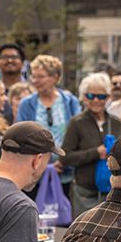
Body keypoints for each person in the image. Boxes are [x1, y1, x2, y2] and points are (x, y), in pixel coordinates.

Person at [16, 54, 82, 195]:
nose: (35, 81)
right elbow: (20, 137)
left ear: (55, 77)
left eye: (41, 76)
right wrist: (44, 167)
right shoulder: (26, 104)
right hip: (33, 173)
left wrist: (63, 162)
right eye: (33, 76)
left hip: (66, 172)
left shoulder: (70, 102)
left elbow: (78, 134)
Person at [61, 72, 121, 214]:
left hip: (112, 193)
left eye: (101, 96)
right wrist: (95, 153)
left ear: (108, 97)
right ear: (83, 97)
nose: (96, 100)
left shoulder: (116, 122)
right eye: (91, 96)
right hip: (85, 194)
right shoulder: (77, 122)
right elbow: (65, 157)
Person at [0, 43, 26, 122]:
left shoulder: (32, 91)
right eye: (5, 57)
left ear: (22, 63)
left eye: (14, 57)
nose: (10, 60)